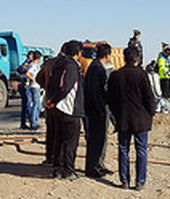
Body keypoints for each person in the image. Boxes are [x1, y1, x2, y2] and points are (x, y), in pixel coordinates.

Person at [108, 46, 155, 190]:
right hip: (140, 119)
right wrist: (151, 113)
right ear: (137, 59)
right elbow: (149, 97)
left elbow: (110, 98)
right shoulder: (141, 75)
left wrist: (116, 114)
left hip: (123, 118)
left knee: (123, 149)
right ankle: (140, 182)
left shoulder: (116, 75)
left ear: (124, 58)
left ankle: (124, 181)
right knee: (141, 150)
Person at [45, 40, 85, 180]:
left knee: (59, 139)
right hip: (69, 108)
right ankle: (68, 170)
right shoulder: (71, 66)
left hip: (59, 108)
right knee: (70, 142)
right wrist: (55, 100)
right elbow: (66, 87)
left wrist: (52, 100)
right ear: (78, 53)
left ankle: (57, 168)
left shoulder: (58, 64)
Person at [84, 43, 113, 178]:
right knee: (96, 139)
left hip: (96, 107)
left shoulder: (95, 66)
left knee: (101, 138)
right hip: (96, 110)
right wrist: (101, 108)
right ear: (107, 55)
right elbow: (95, 91)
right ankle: (92, 168)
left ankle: (99, 164)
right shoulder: (97, 68)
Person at [36, 48, 64, 166]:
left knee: (51, 131)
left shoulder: (48, 64)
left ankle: (49, 157)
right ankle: (58, 159)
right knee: (60, 132)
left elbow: (39, 78)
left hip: (49, 100)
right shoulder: (65, 64)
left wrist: (46, 87)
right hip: (60, 102)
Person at [26, 51, 43, 129]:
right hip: (34, 87)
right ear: (39, 58)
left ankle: (35, 121)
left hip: (37, 86)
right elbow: (28, 73)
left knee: (38, 106)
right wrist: (32, 79)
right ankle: (34, 123)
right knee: (36, 105)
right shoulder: (32, 65)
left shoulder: (37, 65)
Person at [18, 51, 34, 129]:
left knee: (26, 105)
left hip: (23, 86)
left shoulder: (26, 63)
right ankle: (30, 123)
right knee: (27, 105)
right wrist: (32, 79)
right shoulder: (27, 64)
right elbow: (25, 74)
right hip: (25, 86)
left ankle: (24, 123)